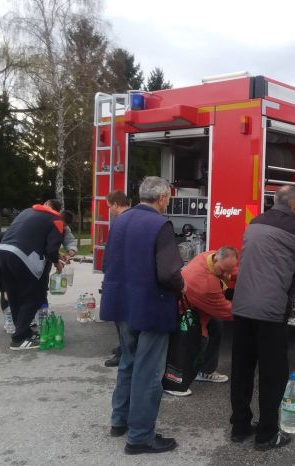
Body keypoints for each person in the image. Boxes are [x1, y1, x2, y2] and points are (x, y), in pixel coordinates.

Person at [230, 185, 295, 451]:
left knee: (241, 369)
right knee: (272, 373)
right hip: (270, 311)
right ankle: (266, 435)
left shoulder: (255, 222)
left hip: (241, 307)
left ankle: (239, 427)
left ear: (274, 202)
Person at [100, 176, 184, 455]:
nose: (168, 201)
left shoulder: (121, 220)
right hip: (151, 307)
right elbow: (170, 273)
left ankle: (119, 421)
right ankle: (140, 437)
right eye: (168, 197)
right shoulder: (160, 224)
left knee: (128, 362)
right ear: (161, 198)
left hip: (122, 305)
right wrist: (181, 289)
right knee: (149, 372)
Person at [165, 246, 238, 397]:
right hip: (185, 312)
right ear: (217, 258)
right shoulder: (205, 284)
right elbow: (226, 310)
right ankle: (174, 382)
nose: (226, 274)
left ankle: (205, 371)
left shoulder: (209, 256)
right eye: (223, 270)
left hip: (197, 306)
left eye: (229, 270)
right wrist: (252, 311)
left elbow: (232, 272)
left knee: (217, 325)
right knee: (196, 341)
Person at [0, 201, 65, 350]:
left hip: (3, 251)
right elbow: (51, 250)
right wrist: (56, 262)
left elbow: (28, 236)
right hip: (22, 256)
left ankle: (24, 331)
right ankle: (19, 338)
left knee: (14, 295)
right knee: (35, 296)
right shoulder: (56, 220)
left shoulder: (27, 211)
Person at [103, 190, 131, 368]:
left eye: (109, 207)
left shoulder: (121, 221)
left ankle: (124, 354)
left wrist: (108, 271)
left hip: (119, 276)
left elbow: (113, 252)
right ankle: (123, 348)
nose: (110, 211)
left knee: (120, 318)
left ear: (115, 204)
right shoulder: (131, 218)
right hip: (126, 276)